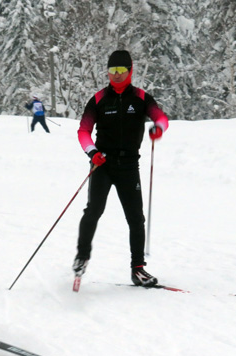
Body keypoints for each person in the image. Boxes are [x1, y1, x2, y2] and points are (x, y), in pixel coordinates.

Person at [73, 50, 169, 287]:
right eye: (112, 71)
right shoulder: (98, 99)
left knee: (136, 218)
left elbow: (161, 118)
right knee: (93, 211)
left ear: (130, 71)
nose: (116, 76)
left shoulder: (141, 98)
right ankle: (82, 257)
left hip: (128, 166)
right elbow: (83, 131)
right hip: (102, 164)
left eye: (121, 71)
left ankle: (138, 270)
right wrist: (92, 152)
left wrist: (158, 128)